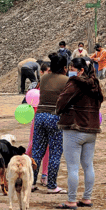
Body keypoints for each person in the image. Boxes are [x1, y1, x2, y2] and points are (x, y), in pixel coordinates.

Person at [55, 58, 103, 209]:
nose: (70, 71)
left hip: (74, 129)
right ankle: (86, 198)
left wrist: (59, 111)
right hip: (92, 129)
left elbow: (61, 101)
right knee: (88, 166)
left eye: (72, 68)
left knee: (73, 168)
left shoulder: (75, 83)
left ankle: (71, 200)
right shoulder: (96, 84)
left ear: (81, 70)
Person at [31, 53, 69, 194]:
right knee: (55, 152)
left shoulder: (44, 77)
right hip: (55, 118)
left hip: (40, 116)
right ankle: (52, 185)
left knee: (37, 151)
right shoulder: (66, 80)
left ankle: (31, 182)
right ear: (64, 68)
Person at [25, 63, 50, 186]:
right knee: (32, 145)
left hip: (49, 119)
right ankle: (22, 165)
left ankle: (44, 175)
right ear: (41, 72)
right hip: (36, 119)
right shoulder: (35, 88)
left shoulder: (53, 86)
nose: (50, 74)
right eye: (48, 71)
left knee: (48, 148)